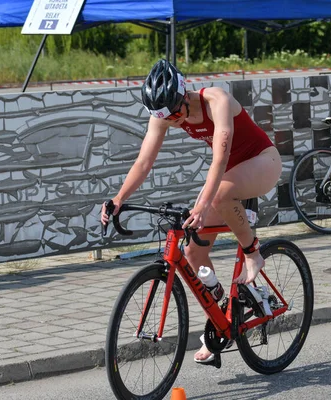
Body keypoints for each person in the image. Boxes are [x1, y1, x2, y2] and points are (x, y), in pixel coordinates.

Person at [100, 59, 282, 364]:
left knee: (219, 195)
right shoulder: (166, 114)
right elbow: (144, 162)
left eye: (174, 114)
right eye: (165, 117)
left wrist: (201, 205)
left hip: (262, 162)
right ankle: (222, 317)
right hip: (228, 175)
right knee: (193, 254)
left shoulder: (216, 100)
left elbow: (220, 161)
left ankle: (253, 253)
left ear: (184, 93)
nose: (172, 121)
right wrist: (118, 198)